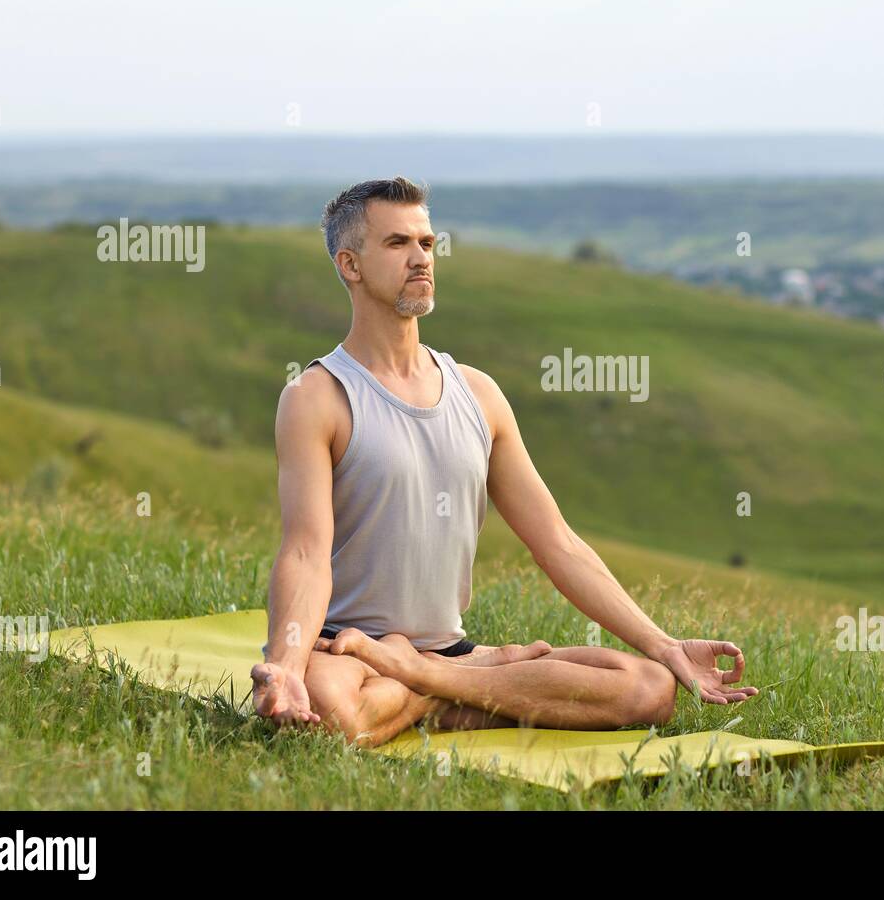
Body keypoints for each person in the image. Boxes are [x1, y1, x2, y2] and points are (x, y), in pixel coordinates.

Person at [250, 178, 757, 747]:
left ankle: (428, 682)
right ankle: (473, 689)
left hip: (448, 651)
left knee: (650, 688)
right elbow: (304, 551)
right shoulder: (317, 396)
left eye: (428, 243)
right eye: (398, 244)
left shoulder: (479, 394)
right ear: (351, 264)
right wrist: (289, 667)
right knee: (332, 713)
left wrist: (665, 645)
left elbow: (557, 543)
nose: (421, 259)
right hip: (349, 648)